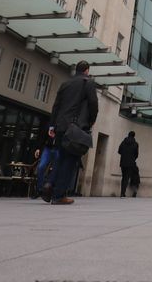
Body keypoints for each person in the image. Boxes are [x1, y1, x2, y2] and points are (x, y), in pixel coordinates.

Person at [45, 60, 98, 205]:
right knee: (70, 160)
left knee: (60, 158)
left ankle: (49, 184)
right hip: (75, 127)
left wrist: (52, 126)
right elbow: (93, 103)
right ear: (87, 70)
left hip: (61, 126)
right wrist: (92, 120)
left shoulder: (65, 83)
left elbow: (56, 106)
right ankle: (58, 195)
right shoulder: (88, 82)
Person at [118, 131, 139, 197]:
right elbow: (136, 155)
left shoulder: (123, 142)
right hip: (130, 163)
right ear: (134, 136)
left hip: (123, 162)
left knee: (123, 177)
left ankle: (122, 192)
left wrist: (124, 155)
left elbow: (119, 151)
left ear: (128, 135)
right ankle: (123, 193)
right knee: (126, 178)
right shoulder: (135, 144)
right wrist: (132, 158)